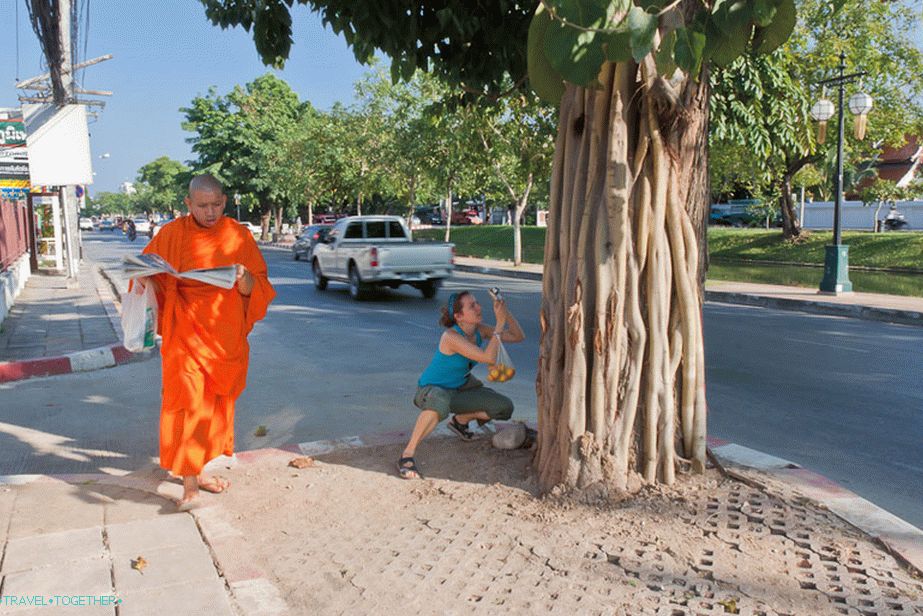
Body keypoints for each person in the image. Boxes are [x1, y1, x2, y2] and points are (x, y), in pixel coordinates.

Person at [137, 174, 276, 508]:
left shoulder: (237, 236)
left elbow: (258, 287)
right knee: (189, 405)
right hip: (184, 335)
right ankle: (190, 487)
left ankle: (197, 472)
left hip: (223, 337)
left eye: (216, 204)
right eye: (202, 206)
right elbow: (148, 274)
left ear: (224, 201)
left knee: (210, 408)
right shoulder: (171, 234)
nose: (210, 212)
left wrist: (243, 278)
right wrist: (142, 276)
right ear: (188, 203)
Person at [398, 290, 525, 479]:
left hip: (459, 389)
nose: (478, 307)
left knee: (504, 407)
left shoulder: (480, 330)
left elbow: (518, 336)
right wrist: (499, 323)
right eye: (472, 306)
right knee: (440, 402)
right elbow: (487, 357)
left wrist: (505, 312)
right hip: (431, 391)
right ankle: (407, 455)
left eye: (477, 303)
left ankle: (460, 421)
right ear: (458, 316)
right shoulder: (451, 337)